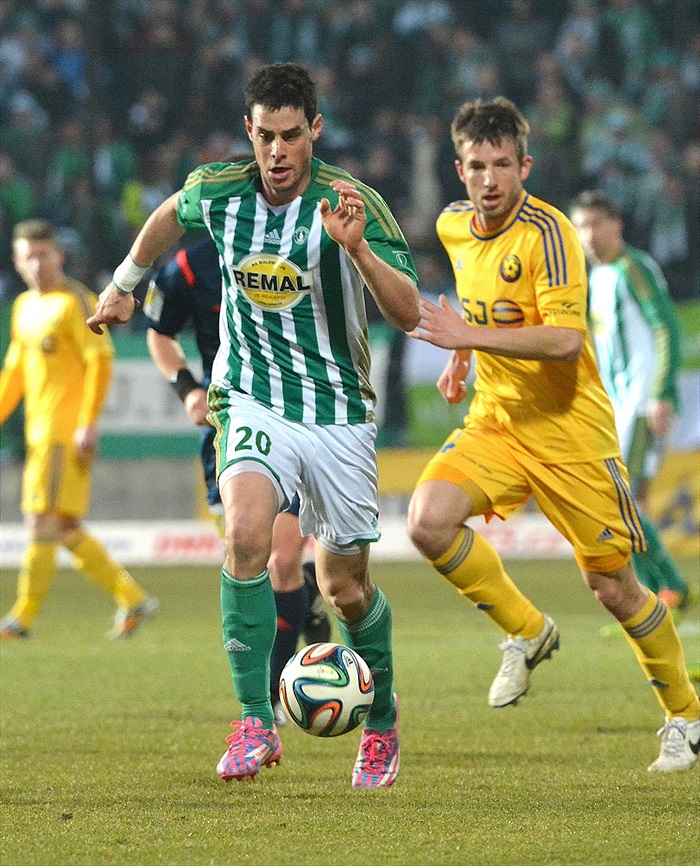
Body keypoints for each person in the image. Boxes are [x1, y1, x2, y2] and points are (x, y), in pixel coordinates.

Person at [86, 63, 420, 788]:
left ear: (315, 132)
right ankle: (253, 723)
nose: (276, 152)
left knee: (344, 587)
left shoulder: (352, 201)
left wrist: (357, 249)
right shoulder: (220, 190)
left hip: (337, 411)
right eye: (265, 136)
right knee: (244, 535)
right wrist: (122, 284)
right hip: (252, 398)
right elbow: (170, 211)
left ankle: (384, 718)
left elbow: (408, 312)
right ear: (249, 131)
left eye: (291, 136)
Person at [406, 97, 699, 773]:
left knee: (616, 588)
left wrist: (466, 336)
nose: (489, 179)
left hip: (571, 436)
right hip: (497, 423)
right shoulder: (454, 228)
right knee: (427, 521)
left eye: (502, 164)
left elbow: (567, 340)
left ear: (524, 165)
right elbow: (481, 310)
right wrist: (463, 357)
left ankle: (685, 716)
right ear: (459, 169)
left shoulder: (552, 233)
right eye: (477, 165)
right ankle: (527, 630)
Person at [143, 236, 332, 725]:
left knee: (279, 558)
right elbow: (158, 332)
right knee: (251, 556)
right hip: (231, 426)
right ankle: (304, 593)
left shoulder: (303, 246)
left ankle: (271, 696)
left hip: (299, 422)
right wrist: (187, 390)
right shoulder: (191, 264)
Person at [0, 219, 158, 641]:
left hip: (63, 432)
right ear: (16, 261)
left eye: (44, 255)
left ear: (59, 255)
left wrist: (88, 422)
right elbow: (15, 372)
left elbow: (100, 361)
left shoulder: (74, 301)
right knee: (63, 525)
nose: (37, 265)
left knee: (40, 521)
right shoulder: (23, 308)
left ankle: (22, 618)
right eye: (28, 257)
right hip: (40, 432)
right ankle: (132, 597)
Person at [569, 190, 691, 620]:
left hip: (641, 401)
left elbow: (665, 328)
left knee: (622, 503)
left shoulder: (632, 268)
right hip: (618, 405)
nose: (588, 235)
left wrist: (661, 392)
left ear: (616, 224)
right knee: (627, 502)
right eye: (581, 226)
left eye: (596, 224)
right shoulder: (597, 279)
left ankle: (667, 588)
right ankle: (659, 598)